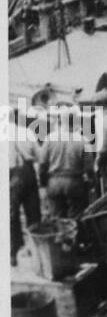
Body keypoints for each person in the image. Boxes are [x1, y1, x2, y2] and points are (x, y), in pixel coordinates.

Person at [38, 113, 92, 218]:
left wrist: (43, 183)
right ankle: (74, 233)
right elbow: (89, 167)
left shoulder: (49, 139)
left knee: (57, 217)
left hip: (54, 182)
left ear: (60, 122)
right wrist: (91, 181)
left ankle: (60, 233)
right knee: (76, 217)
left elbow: (42, 164)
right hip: (75, 183)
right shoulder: (83, 141)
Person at [9, 112, 40, 265]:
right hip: (28, 173)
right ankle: (36, 250)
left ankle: (14, 253)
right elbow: (39, 155)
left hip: (10, 175)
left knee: (12, 216)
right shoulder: (26, 132)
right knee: (33, 213)